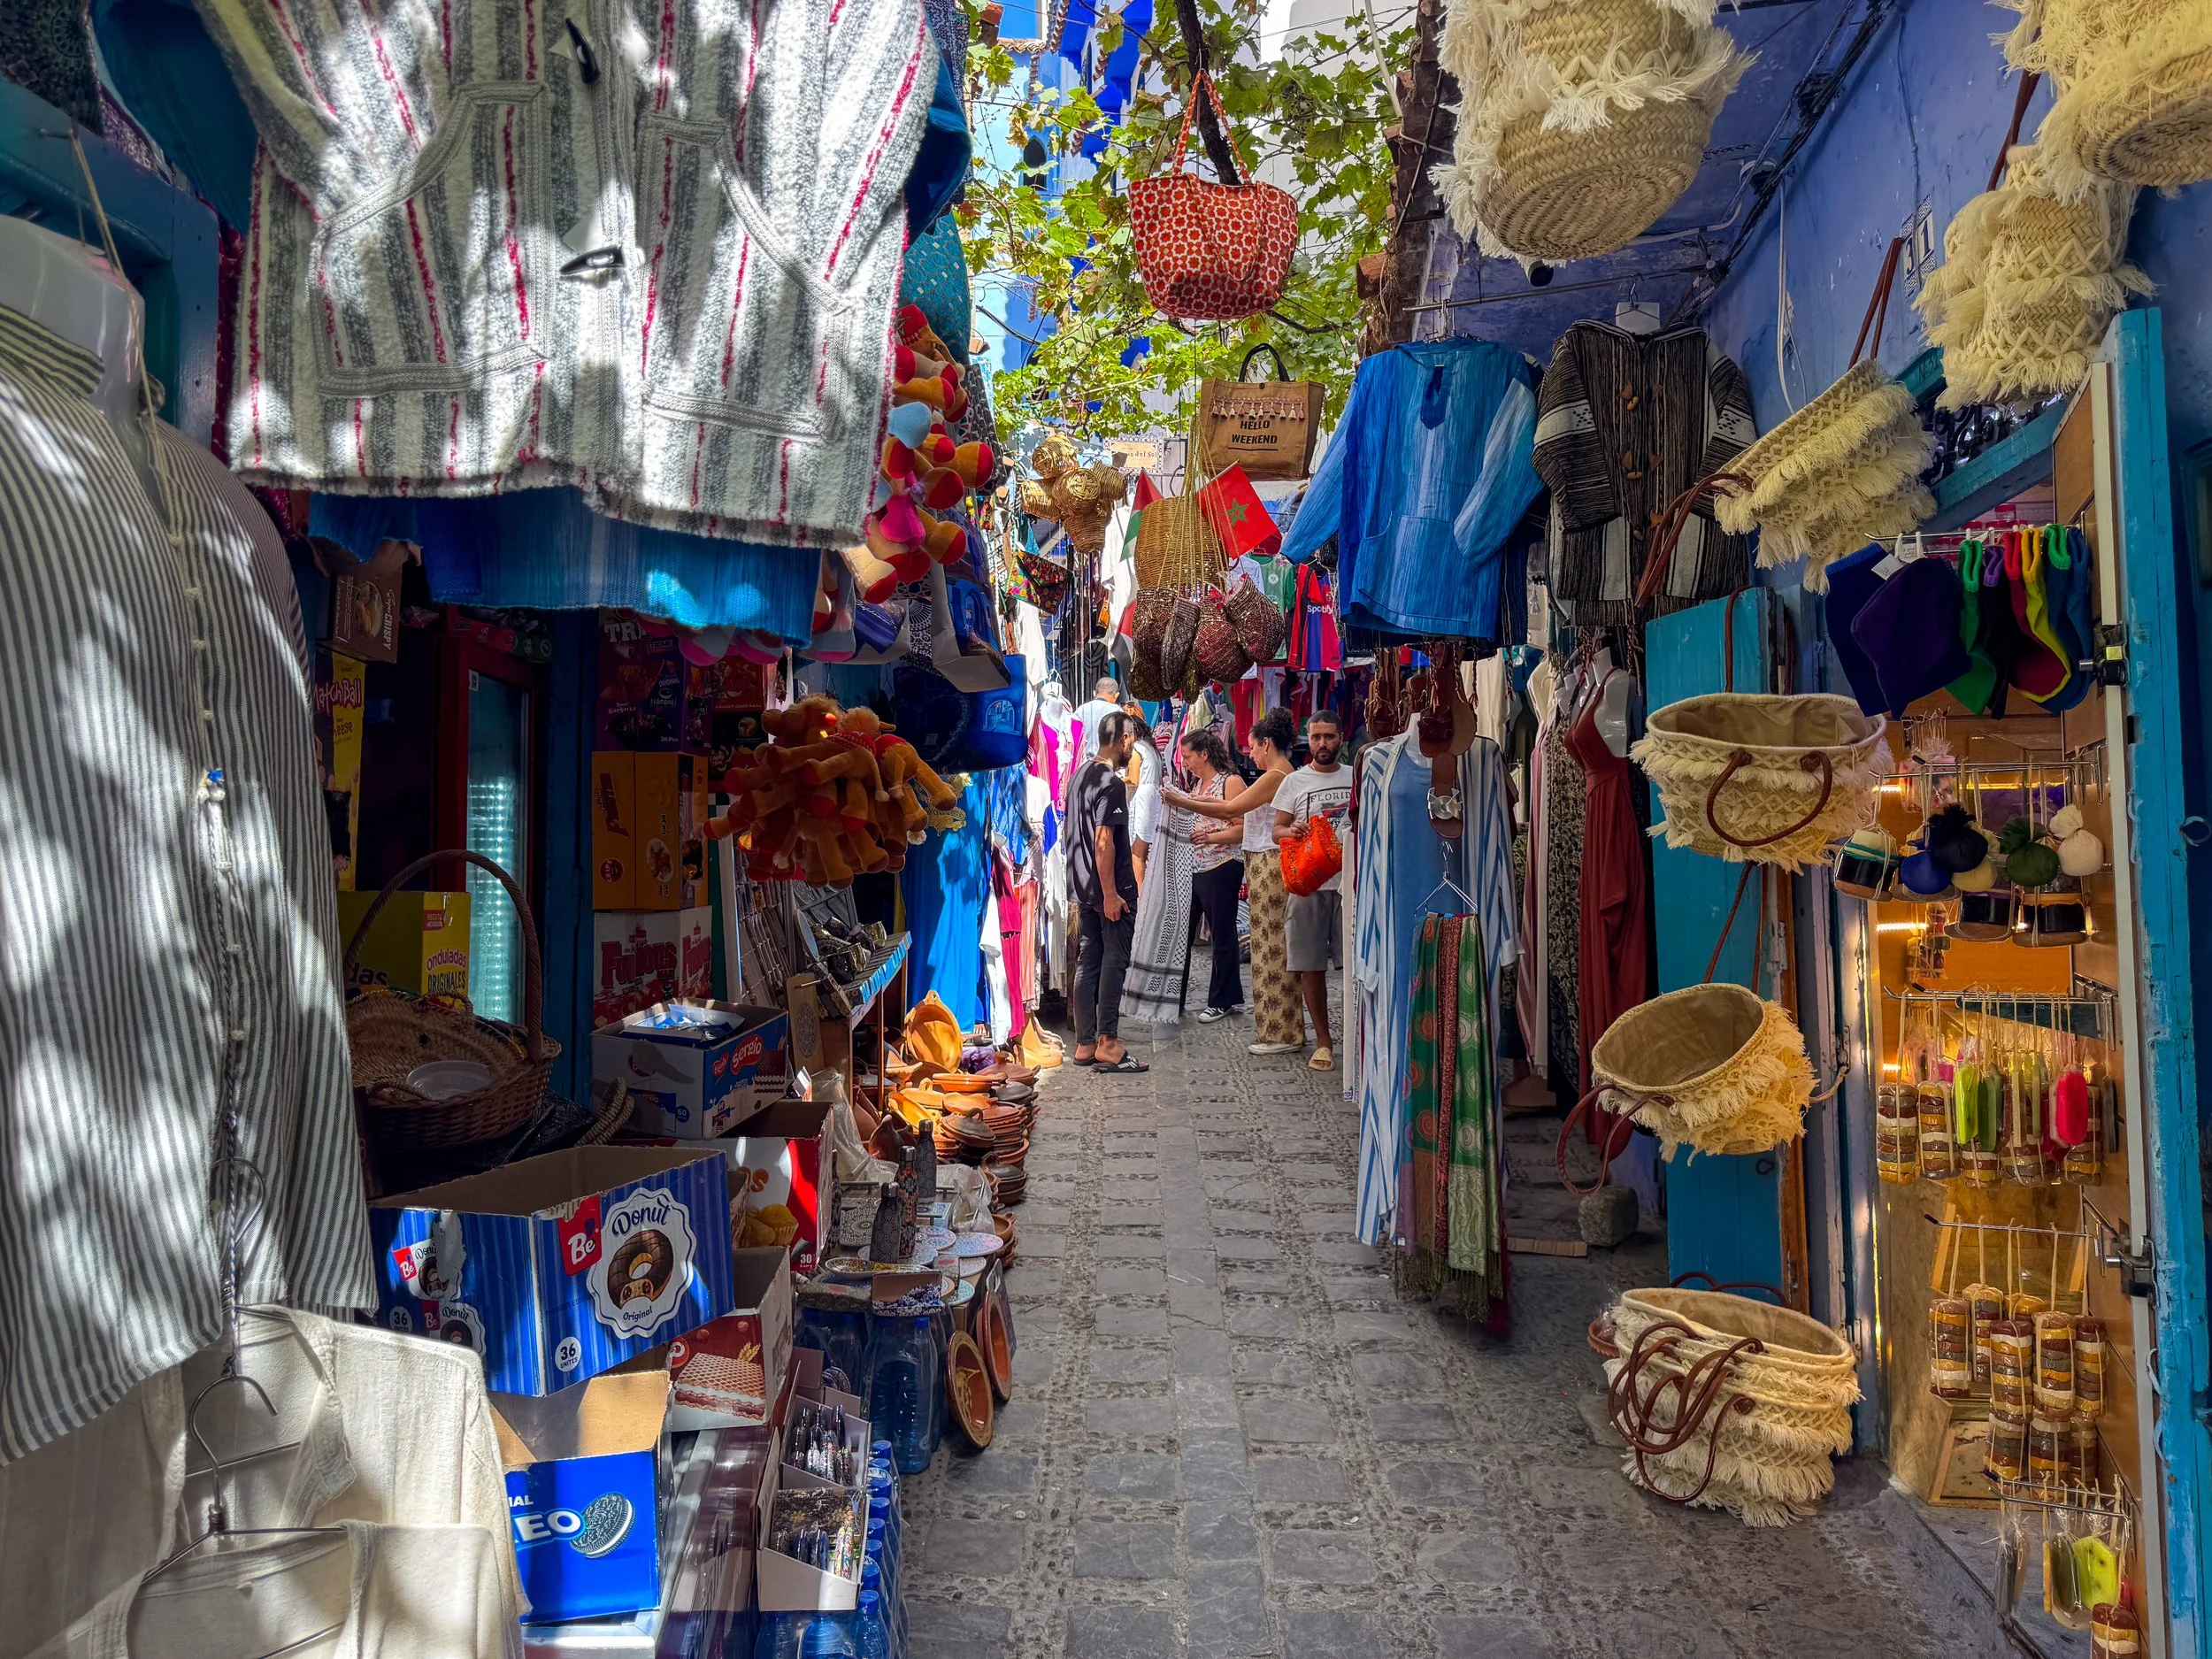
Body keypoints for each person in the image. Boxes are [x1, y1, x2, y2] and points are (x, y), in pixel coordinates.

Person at [1166, 707, 1298, 1055]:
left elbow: (1229, 813)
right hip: (1252, 863)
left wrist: (1180, 800)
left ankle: (1276, 1030)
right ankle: (1276, 1029)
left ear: (1267, 744)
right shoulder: (1276, 775)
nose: (1250, 754)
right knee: (1267, 947)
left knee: (1266, 947)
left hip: (1252, 864)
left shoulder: (1275, 776)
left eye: (1253, 747)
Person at [1066, 711, 1147, 1073]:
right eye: (1131, 740)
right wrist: (1113, 894)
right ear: (1124, 739)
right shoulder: (1111, 783)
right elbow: (1104, 842)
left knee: (1090, 959)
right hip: (1106, 888)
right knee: (1114, 959)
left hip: (1083, 887)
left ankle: (1085, 1043)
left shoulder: (1078, 776)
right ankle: (1108, 1043)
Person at [1272, 710, 1353, 1070]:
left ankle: (1357, 1035)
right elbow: (1276, 830)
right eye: (1317, 737)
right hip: (1308, 884)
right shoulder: (1294, 782)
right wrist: (1293, 832)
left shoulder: (1357, 777)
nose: (1323, 744)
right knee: (1309, 966)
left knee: (1355, 965)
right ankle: (1324, 1040)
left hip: (1350, 884)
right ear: (1308, 737)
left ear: (1341, 737)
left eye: (1329, 737)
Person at [1176, 726, 1246, 1021]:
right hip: (1196, 867)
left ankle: (1223, 998)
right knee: (1183, 932)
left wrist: (1211, 839)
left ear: (1204, 755)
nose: (1184, 762)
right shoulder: (1196, 786)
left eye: (1188, 756)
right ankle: (1173, 996)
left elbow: (1243, 828)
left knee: (1222, 933)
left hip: (1223, 864)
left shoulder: (1231, 783)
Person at [1123, 701, 1162, 893]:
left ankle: (1141, 895)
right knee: (1146, 852)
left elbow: (1132, 778)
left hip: (1141, 801)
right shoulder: (1152, 749)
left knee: (1136, 854)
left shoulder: (1136, 749)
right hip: (1153, 798)